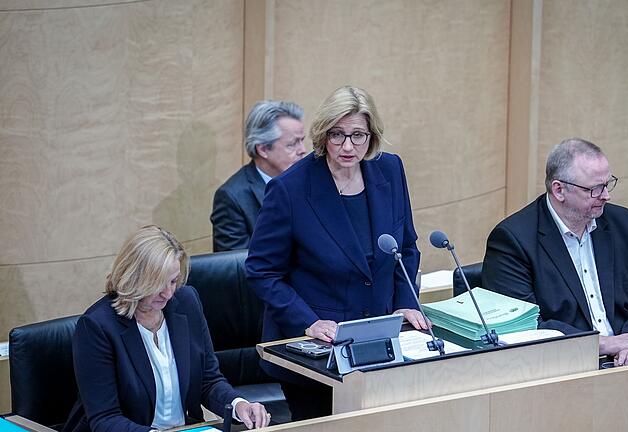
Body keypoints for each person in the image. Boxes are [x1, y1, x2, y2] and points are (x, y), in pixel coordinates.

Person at [245, 85, 430, 420]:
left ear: (372, 136)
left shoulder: (390, 170)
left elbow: (405, 247)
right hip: (317, 351)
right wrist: (309, 322)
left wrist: (405, 301)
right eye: (338, 135)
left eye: (358, 135)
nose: (348, 146)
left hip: (377, 341)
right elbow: (261, 271)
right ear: (322, 134)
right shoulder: (290, 189)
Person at [482, 138, 628, 367]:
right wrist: (603, 344)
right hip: (562, 370)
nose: (606, 195)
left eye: (607, 183)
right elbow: (524, 327)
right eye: (594, 189)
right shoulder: (513, 240)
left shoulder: (627, 226)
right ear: (559, 190)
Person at [63, 226, 270, 432]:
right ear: (134, 278)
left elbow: (209, 380)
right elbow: (105, 419)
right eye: (158, 284)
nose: (168, 293)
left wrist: (238, 405)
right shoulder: (97, 327)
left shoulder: (187, 302)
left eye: (173, 281)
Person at [211, 100, 307, 252]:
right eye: (292, 144)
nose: (303, 150)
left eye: (302, 140)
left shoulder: (308, 179)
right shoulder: (232, 198)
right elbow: (237, 267)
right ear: (263, 149)